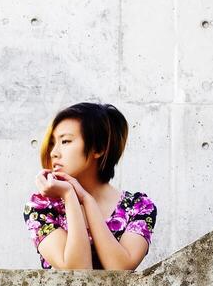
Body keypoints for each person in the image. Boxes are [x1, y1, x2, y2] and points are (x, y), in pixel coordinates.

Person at [22, 102, 157, 271]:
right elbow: (77, 272)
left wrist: (87, 200)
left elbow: (120, 271)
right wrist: (70, 195)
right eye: (52, 143)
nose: (54, 152)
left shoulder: (139, 206)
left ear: (98, 148)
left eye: (65, 141)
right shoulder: (41, 207)